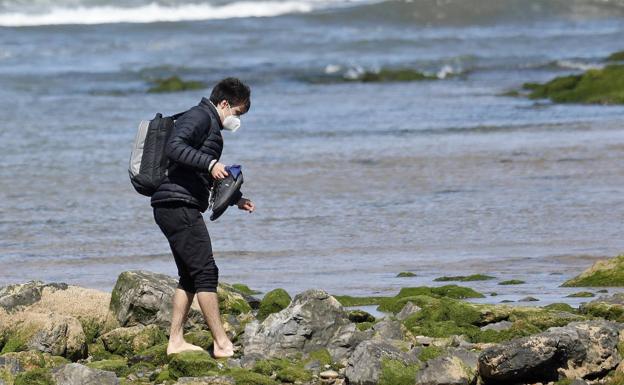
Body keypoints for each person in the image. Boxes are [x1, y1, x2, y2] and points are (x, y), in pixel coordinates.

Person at [151, 77, 255, 358]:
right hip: (177, 205)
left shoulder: (208, 124)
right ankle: (221, 343)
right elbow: (175, 147)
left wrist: (235, 199)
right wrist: (210, 163)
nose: (238, 120)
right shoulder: (200, 116)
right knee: (206, 273)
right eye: (238, 112)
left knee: (189, 275)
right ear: (224, 104)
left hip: (174, 205)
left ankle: (175, 341)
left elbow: (197, 173)